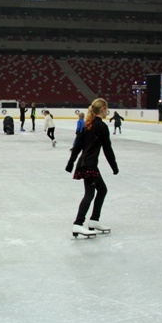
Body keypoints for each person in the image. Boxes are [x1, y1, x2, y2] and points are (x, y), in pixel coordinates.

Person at [66, 98, 119, 237]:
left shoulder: (87, 125)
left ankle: (94, 220)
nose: (108, 112)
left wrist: (71, 163)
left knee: (102, 190)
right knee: (90, 193)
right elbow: (107, 149)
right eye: (107, 109)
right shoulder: (100, 126)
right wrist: (114, 166)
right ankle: (78, 224)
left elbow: (77, 147)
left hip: (85, 164)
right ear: (102, 109)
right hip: (89, 165)